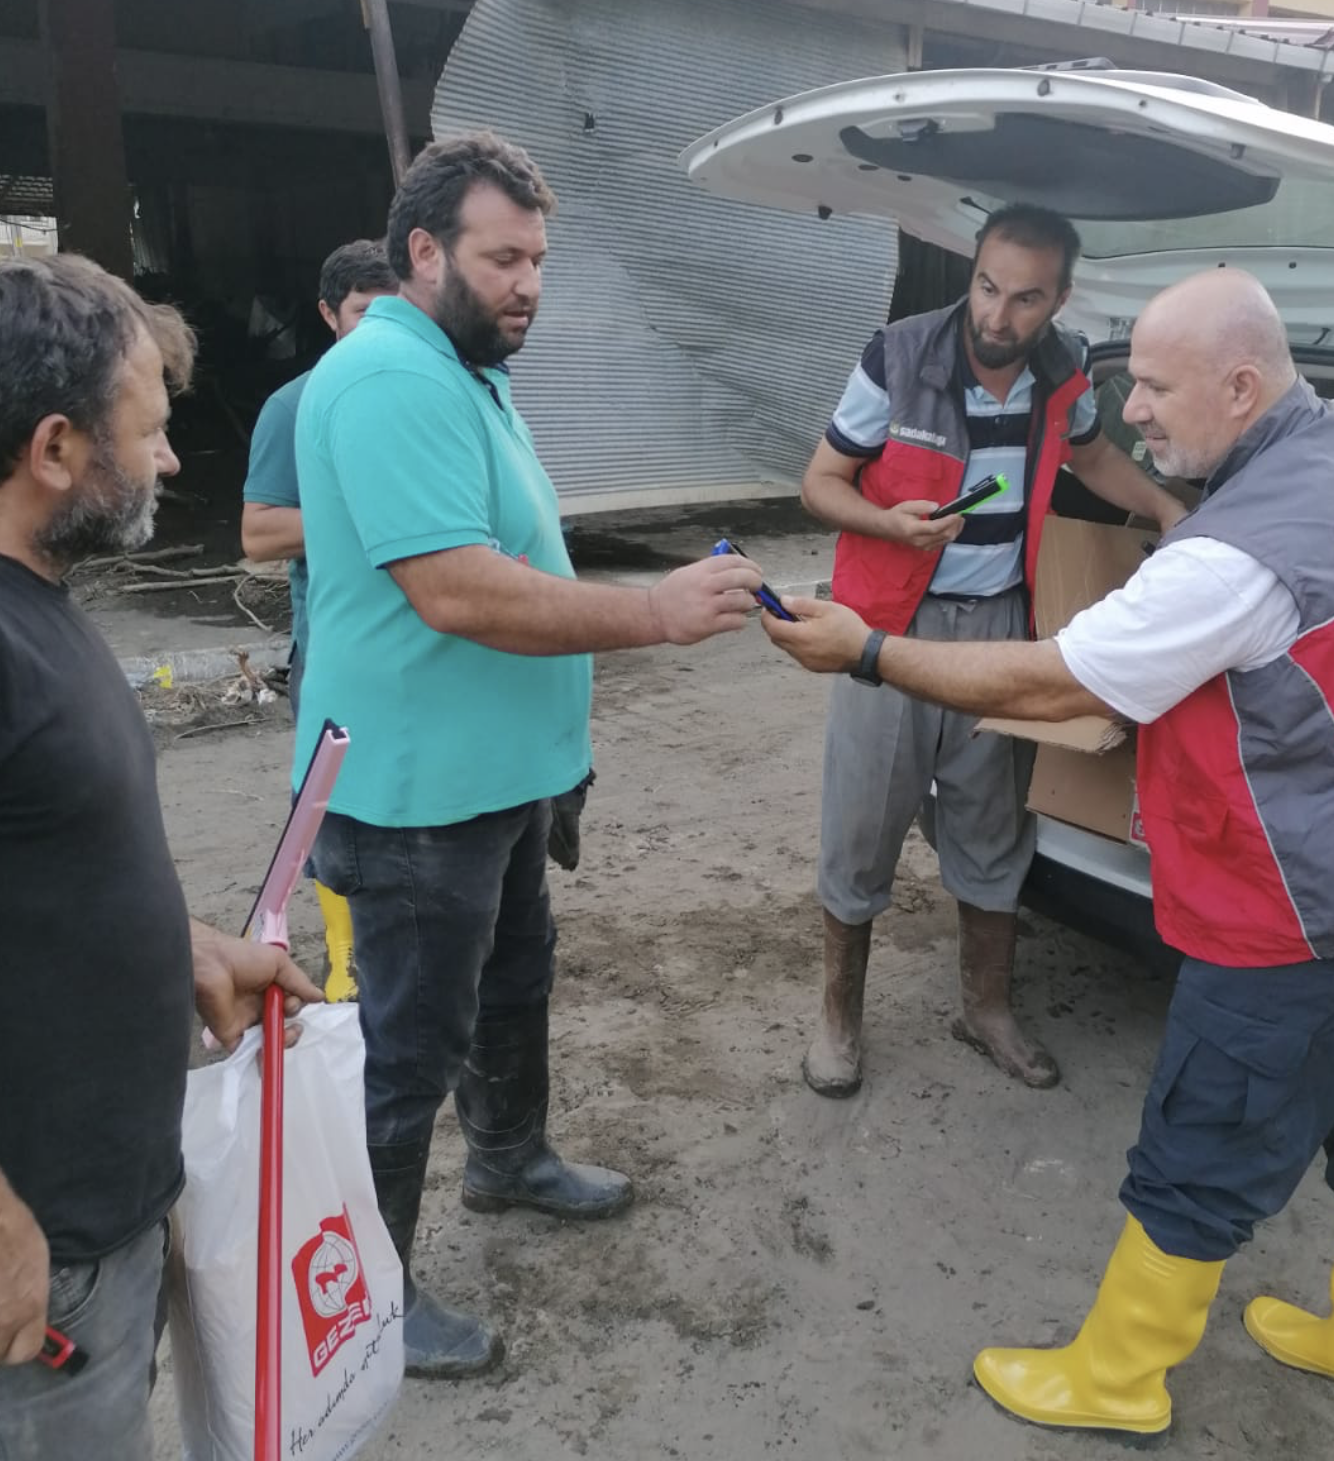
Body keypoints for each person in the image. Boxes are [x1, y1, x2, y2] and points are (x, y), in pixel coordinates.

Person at [762, 267, 1334, 1441]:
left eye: (1155, 386)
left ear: (1243, 384)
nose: (1132, 409)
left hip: (1309, 911)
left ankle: (1118, 1375)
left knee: (1199, 1140)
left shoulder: (1231, 561)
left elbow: (1051, 675)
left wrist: (868, 652)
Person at [293, 131, 765, 1379]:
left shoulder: (462, 368)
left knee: (512, 982)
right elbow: (457, 589)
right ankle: (368, 1306)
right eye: (504, 258)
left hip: (493, 780)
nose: (528, 285)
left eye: (539, 260)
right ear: (423, 251)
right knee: (402, 1052)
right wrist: (654, 612)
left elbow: (518, 558)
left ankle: (508, 1159)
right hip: (411, 798)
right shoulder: (391, 378)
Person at [0, 254, 322, 1461]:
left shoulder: (40, 600)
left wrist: (181, 948)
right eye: (152, 431)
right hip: (42, 1247)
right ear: (54, 450)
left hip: (102, 1209)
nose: (173, 461)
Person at [798, 204, 1186, 1097]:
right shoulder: (894, 357)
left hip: (1002, 628)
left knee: (993, 825)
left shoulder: (1064, 369)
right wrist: (884, 521)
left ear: (1059, 299)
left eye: (1024, 299)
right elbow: (819, 483)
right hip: (886, 627)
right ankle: (838, 1022)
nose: (997, 316)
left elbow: (1091, 460)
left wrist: (1165, 506)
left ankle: (987, 1008)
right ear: (970, 271)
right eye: (986, 286)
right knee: (862, 823)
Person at [242, 238, 398, 1003]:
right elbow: (259, 533)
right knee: (331, 799)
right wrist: (364, 516)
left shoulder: (423, 395)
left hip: (422, 636)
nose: (380, 332)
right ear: (328, 315)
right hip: (335, 639)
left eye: (394, 314)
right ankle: (345, 961)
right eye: (365, 315)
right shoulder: (296, 405)